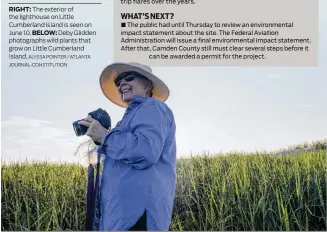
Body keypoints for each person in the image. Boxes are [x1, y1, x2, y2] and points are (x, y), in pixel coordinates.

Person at [79, 62, 177, 231]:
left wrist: (105, 137)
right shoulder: (127, 120)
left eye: (128, 77)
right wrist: (100, 138)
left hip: (138, 214)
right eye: (118, 81)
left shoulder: (152, 107)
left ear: (147, 83)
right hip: (121, 216)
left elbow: (146, 152)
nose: (121, 83)